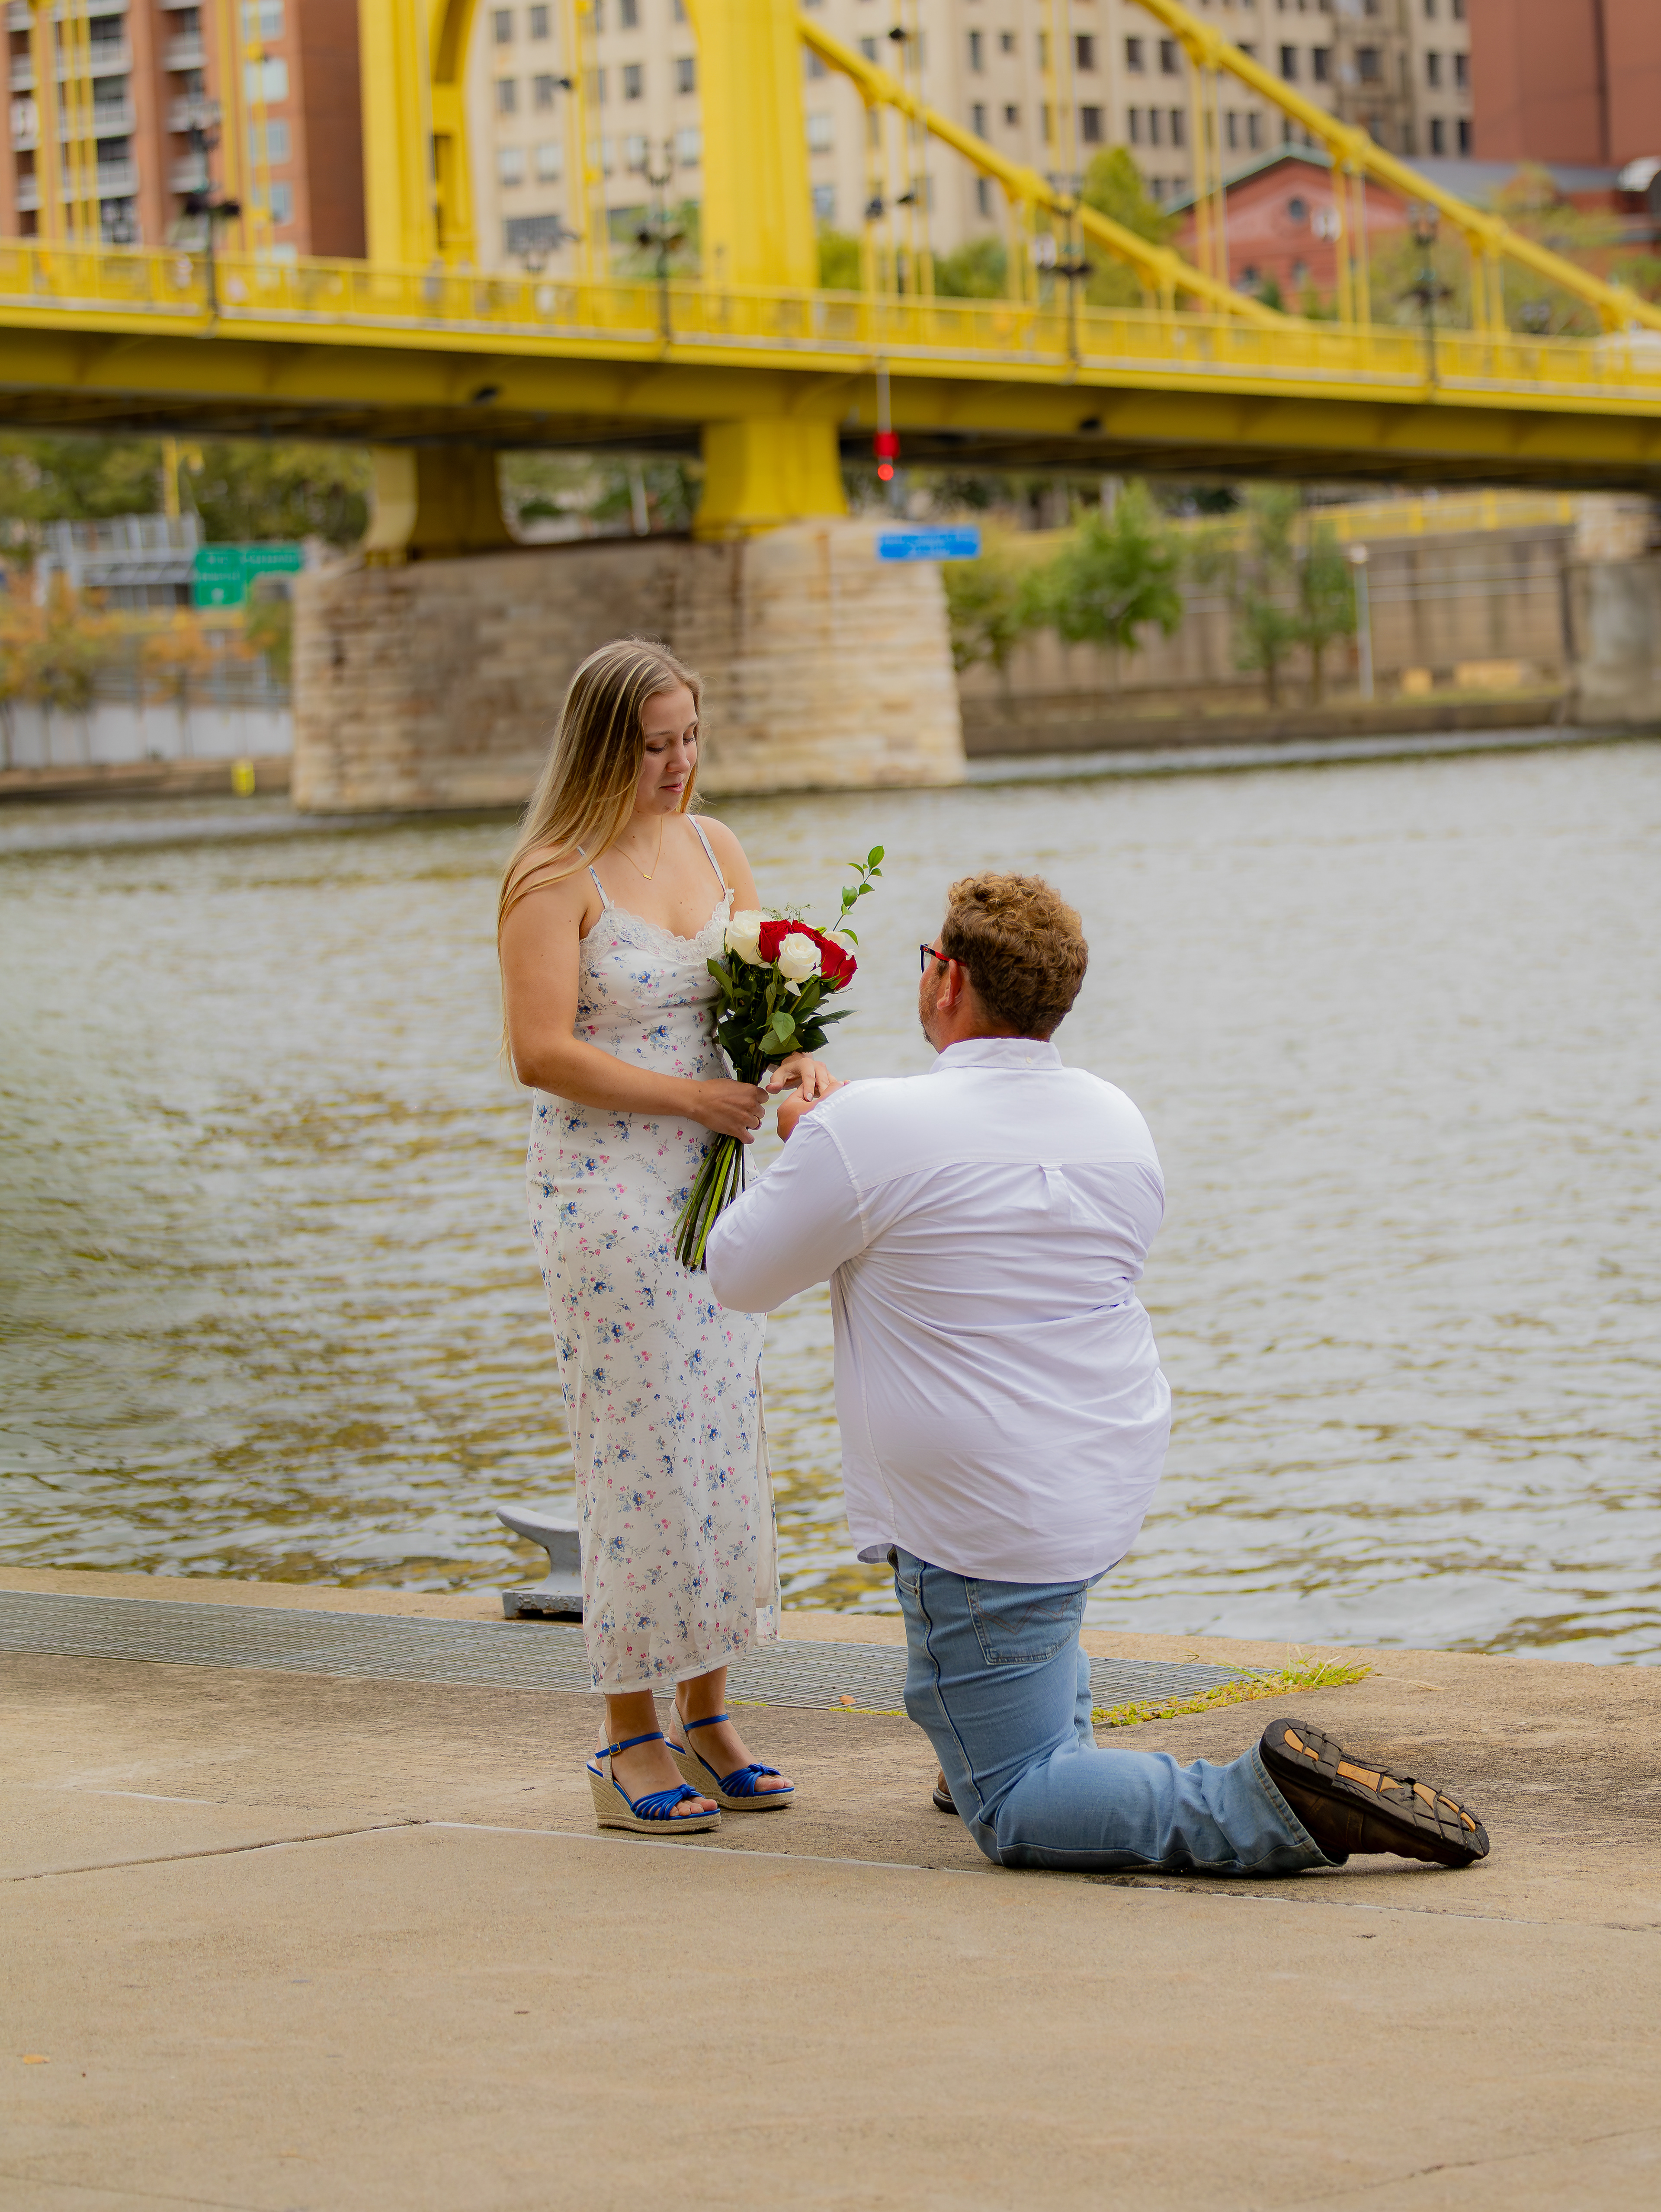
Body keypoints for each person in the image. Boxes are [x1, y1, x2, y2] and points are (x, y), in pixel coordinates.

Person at [705, 872, 1489, 1876]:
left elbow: (737, 1271)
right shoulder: (1115, 1117)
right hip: (1098, 1472)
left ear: (946, 980)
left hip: (983, 1515)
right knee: (1009, 1668)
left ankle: (1268, 1802)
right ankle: (1002, 1733)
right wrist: (842, 1139)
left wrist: (811, 1146)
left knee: (1017, 1803)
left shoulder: (870, 1132)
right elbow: (976, 1178)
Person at [498, 637, 831, 1834]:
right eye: (655, 744)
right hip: (606, 1200)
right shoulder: (554, 873)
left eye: (691, 735)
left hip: (718, 1191)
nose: (680, 762)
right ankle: (624, 1734)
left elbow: (756, 1014)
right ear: (603, 747)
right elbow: (541, 1049)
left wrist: (796, 1064)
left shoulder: (714, 846)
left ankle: (710, 1707)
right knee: (638, 1454)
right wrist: (695, 1099)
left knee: (722, 1444)